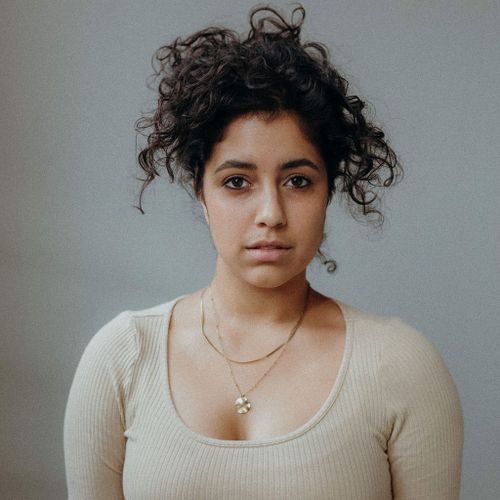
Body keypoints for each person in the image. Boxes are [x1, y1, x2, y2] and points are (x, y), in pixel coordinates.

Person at [63, 4, 464, 499]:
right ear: (200, 192)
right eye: (237, 182)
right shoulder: (122, 358)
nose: (271, 213)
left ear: (329, 191)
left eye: (298, 181)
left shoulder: (400, 366)